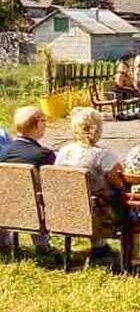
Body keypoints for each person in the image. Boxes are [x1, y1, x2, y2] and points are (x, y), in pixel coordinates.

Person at [56, 107, 126, 264]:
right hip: (97, 212)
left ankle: (100, 246)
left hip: (68, 207)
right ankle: (126, 253)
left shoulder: (64, 152)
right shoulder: (102, 155)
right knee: (120, 198)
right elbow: (119, 182)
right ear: (98, 129)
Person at [0, 106, 59, 261]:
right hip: (34, 211)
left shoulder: (4, 153)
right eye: (44, 120)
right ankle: (43, 246)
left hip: (6, 208)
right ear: (37, 124)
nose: (46, 124)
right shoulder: (43, 155)